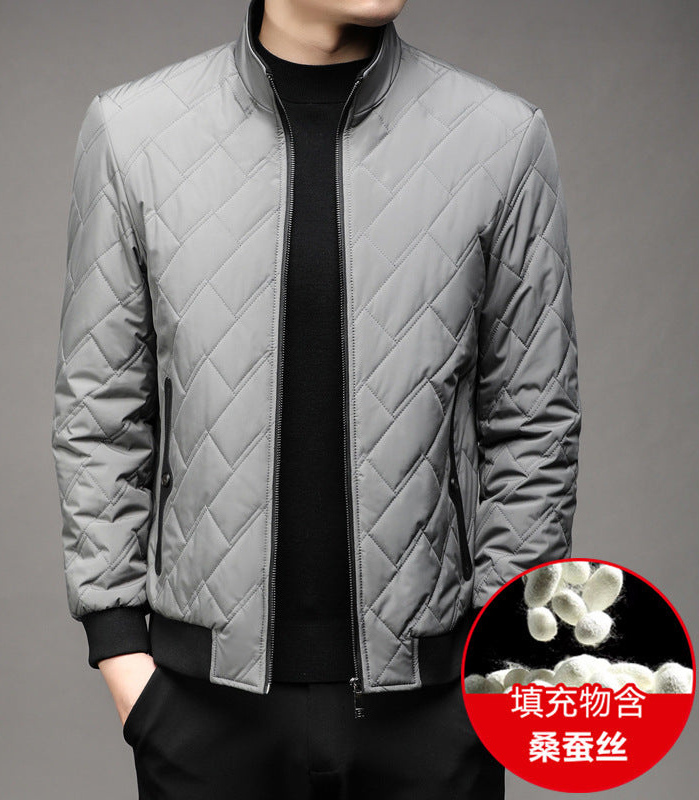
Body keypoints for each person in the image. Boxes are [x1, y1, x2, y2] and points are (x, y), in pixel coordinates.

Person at [51, 0, 582, 797]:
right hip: (201, 711)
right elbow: (99, 414)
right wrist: (125, 660)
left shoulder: (500, 139)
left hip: (434, 711)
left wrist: (502, 664)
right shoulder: (133, 134)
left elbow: (534, 423)